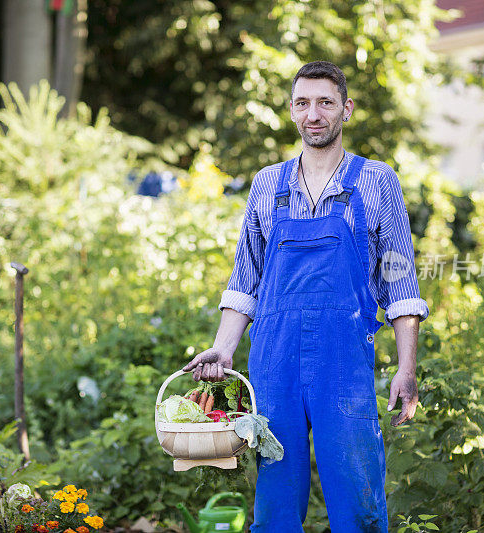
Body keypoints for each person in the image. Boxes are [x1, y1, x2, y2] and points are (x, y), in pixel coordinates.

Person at [182, 61, 429, 532]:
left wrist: (406, 367)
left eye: (324, 102)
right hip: (274, 364)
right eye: (302, 103)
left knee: (356, 493)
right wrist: (224, 346)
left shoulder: (377, 182)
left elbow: (401, 286)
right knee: (275, 499)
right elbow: (245, 280)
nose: (313, 114)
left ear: (346, 109)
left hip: (343, 363)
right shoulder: (267, 184)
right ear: (292, 111)